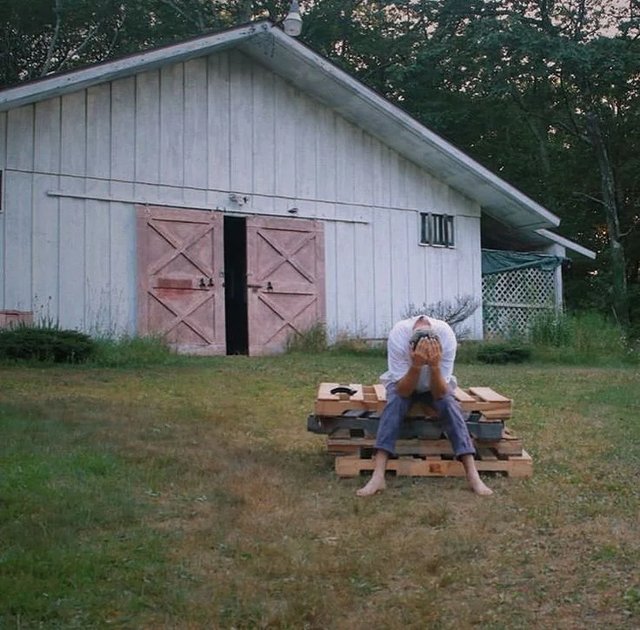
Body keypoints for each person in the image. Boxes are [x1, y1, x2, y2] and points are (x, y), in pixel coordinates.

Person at [357, 314, 493, 497]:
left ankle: (473, 474)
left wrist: (434, 367)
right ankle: (378, 475)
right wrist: (416, 365)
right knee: (394, 404)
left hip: (435, 385)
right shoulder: (399, 334)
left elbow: (440, 393)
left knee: (450, 405)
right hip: (404, 382)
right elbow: (403, 391)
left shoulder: (446, 336)